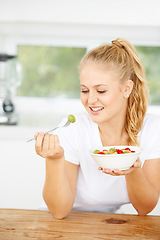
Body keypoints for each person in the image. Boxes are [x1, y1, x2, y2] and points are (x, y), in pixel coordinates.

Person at [35, 38, 160, 219]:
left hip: (108, 223)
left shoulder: (152, 129)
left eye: (100, 91)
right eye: (85, 90)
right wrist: (55, 159)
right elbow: (59, 211)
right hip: (63, 222)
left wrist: (133, 171)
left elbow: (144, 208)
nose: (90, 100)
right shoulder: (74, 128)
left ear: (126, 88)